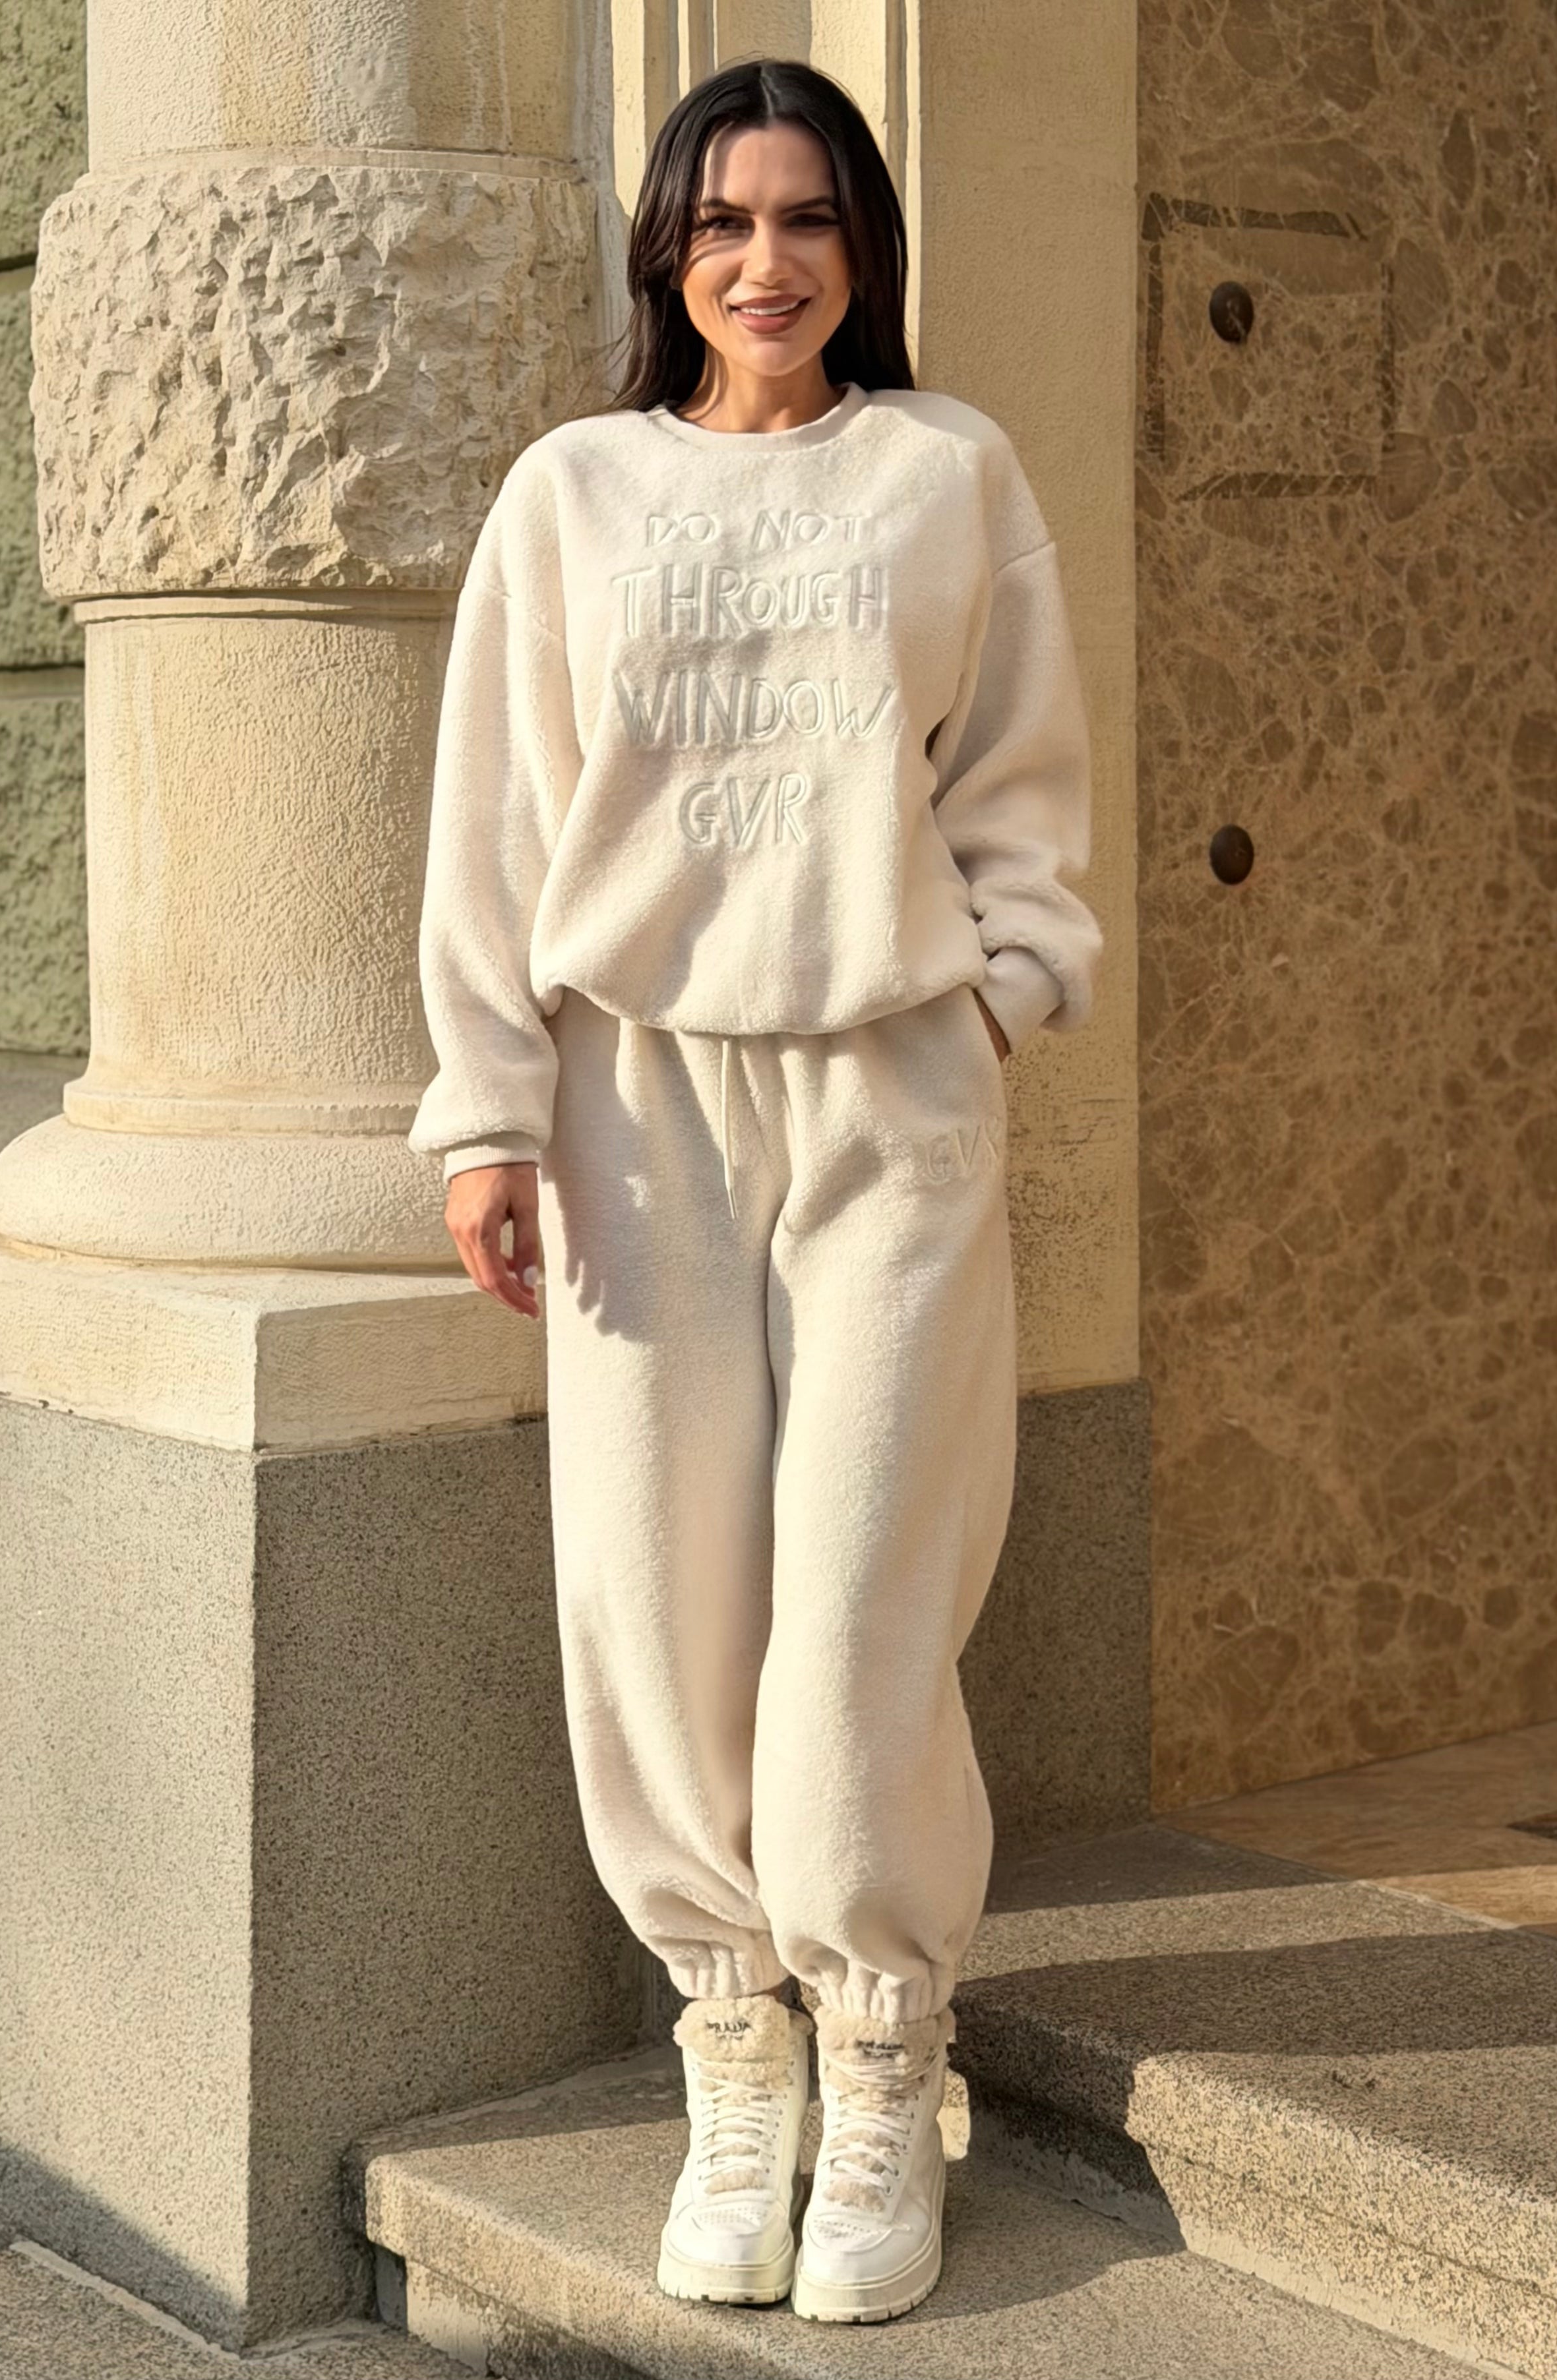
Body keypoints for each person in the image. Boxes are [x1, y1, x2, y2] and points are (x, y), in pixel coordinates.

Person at [407, 54, 1103, 2327]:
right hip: (633, 1105)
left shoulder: (944, 469)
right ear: (668, 253)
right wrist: (487, 1112)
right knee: (655, 1591)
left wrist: (998, 987)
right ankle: (739, 2050)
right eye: (722, 221)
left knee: (865, 1593)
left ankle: (883, 2052)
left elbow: (1020, 775)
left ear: (861, 248)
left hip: (889, 1089)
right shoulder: (574, 493)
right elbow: (495, 825)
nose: (766, 261)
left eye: (807, 218)